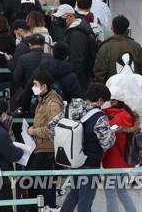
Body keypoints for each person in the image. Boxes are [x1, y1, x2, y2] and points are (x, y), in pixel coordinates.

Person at [49, 83, 115, 212]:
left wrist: (62, 144)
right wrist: (112, 133)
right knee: (86, 199)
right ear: (100, 100)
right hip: (90, 164)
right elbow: (107, 143)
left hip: (72, 160)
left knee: (73, 194)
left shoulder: (69, 108)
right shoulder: (99, 117)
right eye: (104, 102)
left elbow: (51, 127)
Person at [26, 71, 64, 211]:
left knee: (41, 180)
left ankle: (50, 206)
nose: (33, 87)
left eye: (35, 84)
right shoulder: (43, 100)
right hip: (40, 146)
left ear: (44, 86)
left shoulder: (53, 104)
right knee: (41, 180)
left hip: (48, 148)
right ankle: (42, 205)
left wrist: (33, 131)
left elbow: (54, 129)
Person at [101, 86, 139, 212]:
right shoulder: (127, 115)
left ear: (115, 102)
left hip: (113, 163)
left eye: (108, 100)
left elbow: (106, 139)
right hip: (122, 162)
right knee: (122, 192)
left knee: (110, 194)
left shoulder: (115, 119)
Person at [53, 4, 96, 90]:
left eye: (60, 18)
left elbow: (77, 60)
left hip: (79, 79)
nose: (58, 21)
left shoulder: (76, 34)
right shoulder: (78, 28)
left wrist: (71, 80)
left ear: (70, 16)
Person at [94, 15, 142, 83]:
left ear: (112, 28)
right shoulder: (136, 46)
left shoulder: (105, 48)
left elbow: (99, 75)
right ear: (127, 30)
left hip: (112, 91)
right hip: (134, 90)